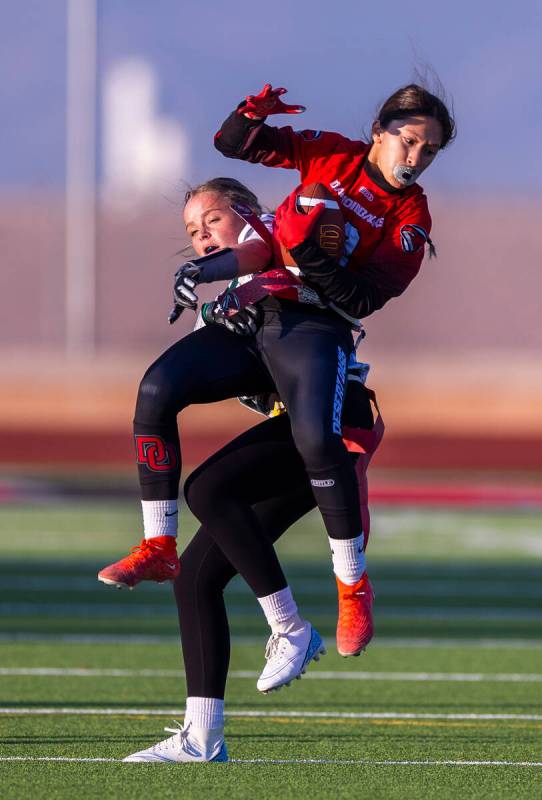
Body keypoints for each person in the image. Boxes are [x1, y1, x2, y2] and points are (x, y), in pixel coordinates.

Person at [100, 79, 454, 693]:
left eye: (429, 150)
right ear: (379, 133)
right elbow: (238, 151)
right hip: (274, 348)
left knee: (309, 441)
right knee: (159, 395)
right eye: (410, 141)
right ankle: (159, 544)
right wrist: (205, 271)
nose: (416, 158)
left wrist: (310, 261)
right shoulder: (325, 164)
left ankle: (351, 586)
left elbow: (364, 297)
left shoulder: (410, 214)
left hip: (323, 356)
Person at [123, 361, 384, 763]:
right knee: (195, 577)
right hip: (302, 424)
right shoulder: (236, 305)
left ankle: (291, 627)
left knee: (208, 489)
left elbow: (316, 336)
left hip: (326, 427)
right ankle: (202, 739)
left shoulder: (275, 302)